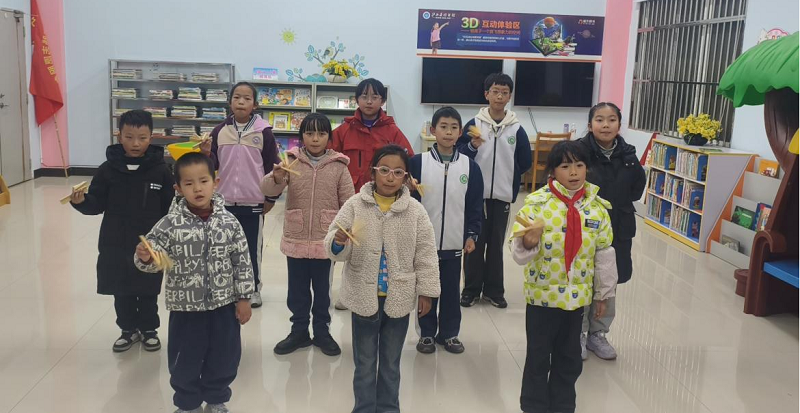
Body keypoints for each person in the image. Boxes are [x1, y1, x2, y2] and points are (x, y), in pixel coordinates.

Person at [323, 144, 440, 413]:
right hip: (363, 297)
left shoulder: (415, 211)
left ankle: (388, 408)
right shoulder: (355, 204)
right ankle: (364, 408)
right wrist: (338, 243)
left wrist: (427, 291)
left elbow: (426, 253)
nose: (390, 177)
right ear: (372, 172)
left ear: (406, 177)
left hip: (398, 299)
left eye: (398, 172)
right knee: (364, 363)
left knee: (390, 363)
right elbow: (332, 242)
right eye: (384, 170)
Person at [135, 152, 254, 413]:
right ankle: (187, 403)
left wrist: (244, 298)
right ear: (178, 189)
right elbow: (154, 258)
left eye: (203, 181)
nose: (197, 189)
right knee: (184, 359)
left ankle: (216, 398)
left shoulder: (230, 223)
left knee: (224, 356)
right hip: (185, 309)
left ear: (216, 182)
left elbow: (242, 262)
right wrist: (146, 256)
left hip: (224, 306)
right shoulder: (168, 224)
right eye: (189, 184)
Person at [510, 140, 617, 413]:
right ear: (553, 171)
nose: (573, 172)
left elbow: (604, 254)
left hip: (576, 300)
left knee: (569, 358)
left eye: (579, 165)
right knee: (538, 357)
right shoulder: (536, 204)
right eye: (565, 166)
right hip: (542, 299)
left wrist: (604, 294)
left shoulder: (596, 208)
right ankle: (533, 406)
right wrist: (529, 241)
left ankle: (563, 405)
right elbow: (518, 255)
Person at [70, 109, 174, 352]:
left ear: (151, 137)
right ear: (119, 136)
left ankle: (149, 329)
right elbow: (96, 203)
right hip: (115, 240)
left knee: (148, 288)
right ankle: (127, 329)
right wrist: (81, 202)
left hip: (150, 243)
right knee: (121, 288)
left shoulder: (161, 170)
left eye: (142, 138)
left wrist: (168, 239)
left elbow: (169, 208)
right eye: (129, 137)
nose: (136, 143)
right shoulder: (107, 169)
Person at [261, 113, 355, 356]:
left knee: (323, 292)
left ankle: (322, 332)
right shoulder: (290, 161)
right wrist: (276, 178)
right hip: (297, 237)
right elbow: (268, 188)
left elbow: (349, 202)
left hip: (326, 240)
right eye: (309, 133)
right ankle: (299, 331)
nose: (315, 139)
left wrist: (344, 230)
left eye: (321, 134)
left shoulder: (339, 166)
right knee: (297, 291)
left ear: (329, 137)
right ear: (301, 136)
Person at [408, 107, 483, 354]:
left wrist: (471, 234)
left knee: (451, 292)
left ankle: (449, 334)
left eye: (453, 128)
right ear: (433, 130)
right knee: (426, 289)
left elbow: (475, 206)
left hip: (454, 243)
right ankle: (426, 334)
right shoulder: (418, 163)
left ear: (460, 132)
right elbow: (407, 202)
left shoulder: (470, 167)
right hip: (424, 244)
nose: (448, 132)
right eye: (443, 127)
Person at [200, 81, 280, 309]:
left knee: (251, 249)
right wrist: (206, 153)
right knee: (224, 247)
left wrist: (270, 198)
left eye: (247, 98)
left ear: (255, 104)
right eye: (237, 97)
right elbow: (212, 166)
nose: (241, 102)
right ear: (230, 102)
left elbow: (273, 168)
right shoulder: (219, 131)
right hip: (223, 202)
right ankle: (228, 287)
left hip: (253, 202)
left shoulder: (264, 132)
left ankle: (253, 288)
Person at [577, 102, 646, 361]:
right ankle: (578, 333)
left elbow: (636, 189)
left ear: (619, 124)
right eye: (599, 120)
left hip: (618, 227)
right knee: (582, 280)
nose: (605, 125)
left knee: (608, 282)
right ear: (590, 125)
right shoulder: (578, 152)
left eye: (611, 120)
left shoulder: (628, 155)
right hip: (584, 229)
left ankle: (598, 333)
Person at [457, 73, 533, 309]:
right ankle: (470, 290)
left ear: (509, 97)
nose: (499, 96)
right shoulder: (474, 124)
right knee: (473, 243)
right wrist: (472, 146)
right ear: (486, 94)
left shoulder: (516, 128)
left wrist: (509, 176)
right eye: (495, 92)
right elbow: (460, 154)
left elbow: (525, 161)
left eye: (504, 92)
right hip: (475, 197)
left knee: (496, 245)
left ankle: (494, 291)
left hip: (502, 198)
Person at [330, 78, 414, 193]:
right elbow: (327, 158)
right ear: (357, 100)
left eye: (374, 97)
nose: (369, 102)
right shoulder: (344, 130)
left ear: (383, 101)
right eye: (364, 97)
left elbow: (408, 158)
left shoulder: (392, 131)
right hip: (351, 192)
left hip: (383, 193)